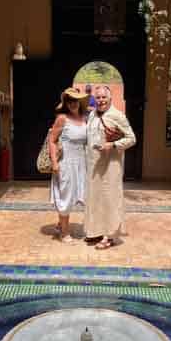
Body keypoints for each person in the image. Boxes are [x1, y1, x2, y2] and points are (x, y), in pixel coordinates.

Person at [84, 85, 136, 250]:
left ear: (110, 98)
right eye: (98, 98)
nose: (101, 101)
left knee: (110, 198)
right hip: (94, 165)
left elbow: (131, 138)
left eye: (103, 98)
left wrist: (113, 145)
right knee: (95, 198)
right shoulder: (92, 114)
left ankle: (110, 236)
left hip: (111, 165)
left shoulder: (117, 116)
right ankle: (97, 231)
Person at [49, 87, 89, 242]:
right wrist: (54, 162)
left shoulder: (84, 118)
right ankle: (64, 232)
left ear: (80, 102)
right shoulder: (62, 118)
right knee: (66, 195)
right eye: (69, 100)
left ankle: (61, 224)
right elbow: (52, 141)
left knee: (77, 194)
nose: (73, 103)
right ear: (65, 103)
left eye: (75, 100)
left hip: (81, 162)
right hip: (65, 162)